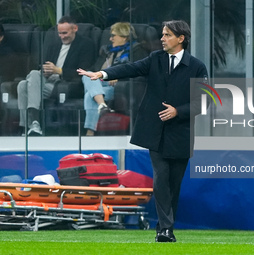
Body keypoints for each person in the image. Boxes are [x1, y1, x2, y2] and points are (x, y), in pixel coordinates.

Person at [78, 20, 208, 242]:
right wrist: (102, 74)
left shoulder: (197, 66)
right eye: (162, 34)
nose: (162, 38)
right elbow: (131, 68)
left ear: (181, 38)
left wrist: (178, 111)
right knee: (161, 178)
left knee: (173, 185)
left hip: (181, 133)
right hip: (155, 131)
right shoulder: (155, 59)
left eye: (167, 35)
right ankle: (166, 230)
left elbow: (204, 101)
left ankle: (164, 227)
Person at [17, 16, 96, 135]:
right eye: (59, 33)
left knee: (24, 85)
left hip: (64, 84)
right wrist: (46, 70)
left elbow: (84, 72)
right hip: (46, 80)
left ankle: (30, 125)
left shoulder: (86, 45)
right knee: (26, 81)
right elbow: (44, 64)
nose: (62, 36)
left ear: (75, 28)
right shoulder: (54, 45)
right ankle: (32, 125)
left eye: (65, 33)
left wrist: (59, 70)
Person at [82, 22, 147, 136]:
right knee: (87, 74)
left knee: (90, 96)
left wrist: (119, 76)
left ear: (124, 37)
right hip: (99, 85)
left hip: (115, 87)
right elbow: (94, 69)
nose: (110, 39)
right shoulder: (107, 51)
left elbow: (138, 71)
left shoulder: (136, 51)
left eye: (113, 36)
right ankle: (102, 105)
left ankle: (90, 131)